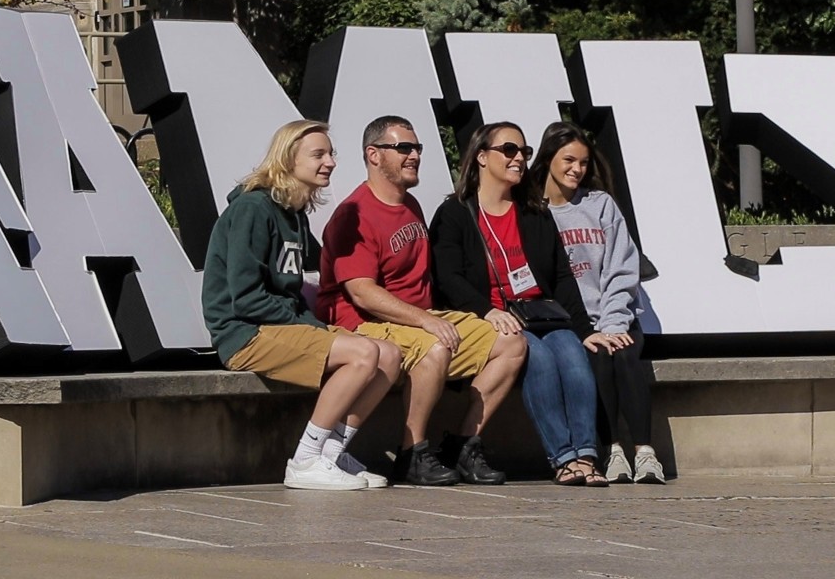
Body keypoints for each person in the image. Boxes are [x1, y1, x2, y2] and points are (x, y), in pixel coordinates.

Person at [317, 116, 527, 486]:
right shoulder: (355, 213)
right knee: (433, 346)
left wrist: (475, 313)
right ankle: (412, 452)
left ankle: (463, 444)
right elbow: (361, 291)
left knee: (511, 343)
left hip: (418, 318)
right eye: (403, 148)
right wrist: (425, 320)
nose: (414, 155)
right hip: (364, 323)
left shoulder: (410, 204)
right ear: (374, 155)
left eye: (416, 149)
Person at [202, 119, 402, 491]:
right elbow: (245, 299)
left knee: (389, 354)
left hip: (278, 325)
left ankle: (331, 455)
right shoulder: (252, 209)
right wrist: (314, 327)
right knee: (362, 355)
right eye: (319, 154)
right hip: (244, 333)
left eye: (331, 153)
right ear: (288, 159)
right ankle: (306, 459)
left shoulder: (292, 214)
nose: (330, 161)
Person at [429, 121, 627, 487]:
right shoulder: (455, 213)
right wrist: (487, 311)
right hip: (490, 320)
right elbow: (447, 278)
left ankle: (586, 456)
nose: (519, 158)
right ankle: (563, 459)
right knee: (537, 357)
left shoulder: (534, 211)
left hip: (540, 314)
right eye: (509, 150)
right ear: (482, 157)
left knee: (571, 352)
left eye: (524, 152)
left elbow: (562, 276)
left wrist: (586, 330)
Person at [528, 121, 667, 484]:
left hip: (614, 316)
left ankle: (646, 453)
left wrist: (613, 323)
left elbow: (622, 267)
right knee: (598, 359)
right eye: (569, 160)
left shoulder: (600, 205)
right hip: (571, 323)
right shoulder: (533, 213)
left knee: (624, 353)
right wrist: (586, 328)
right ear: (548, 159)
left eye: (584, 162)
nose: (577, 169)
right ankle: (614, 451)